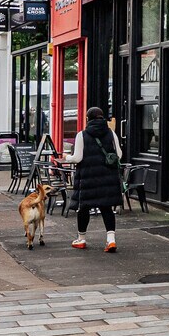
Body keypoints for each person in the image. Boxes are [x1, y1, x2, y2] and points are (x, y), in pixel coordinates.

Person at [68, 105, 124, 252]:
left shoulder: (82, 135)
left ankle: (81, 239)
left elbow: (77, 158)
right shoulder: (111, 133)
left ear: (88, 119)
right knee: (106, 208)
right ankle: (111, 240)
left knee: (84, 208)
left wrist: (67, 157)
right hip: (107, 178)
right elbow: (118, 155)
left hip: (88, 178)